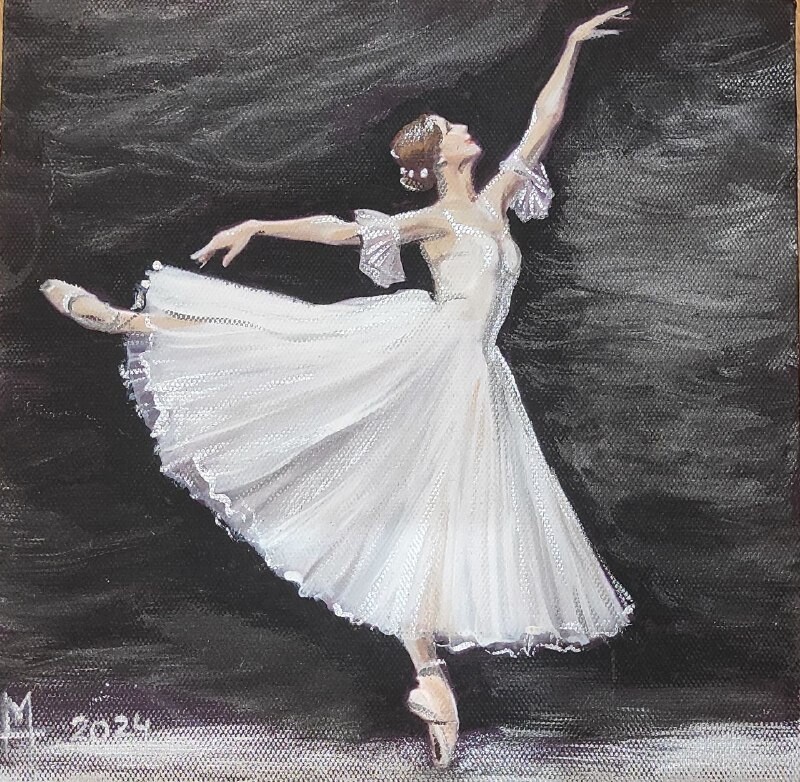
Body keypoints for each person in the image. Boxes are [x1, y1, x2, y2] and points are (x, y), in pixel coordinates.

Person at [40, 6, 635, 769]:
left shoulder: (492, 205)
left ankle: (430, 680)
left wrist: (572, 45)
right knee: (288, 347)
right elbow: (342, 230)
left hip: (472, 372)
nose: (467, 129)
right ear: (438, 155)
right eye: (453, 128)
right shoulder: (438, 219)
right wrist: (260, 225)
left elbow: (542, 122)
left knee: (430, 517)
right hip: (429, 353)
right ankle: (135, 323)